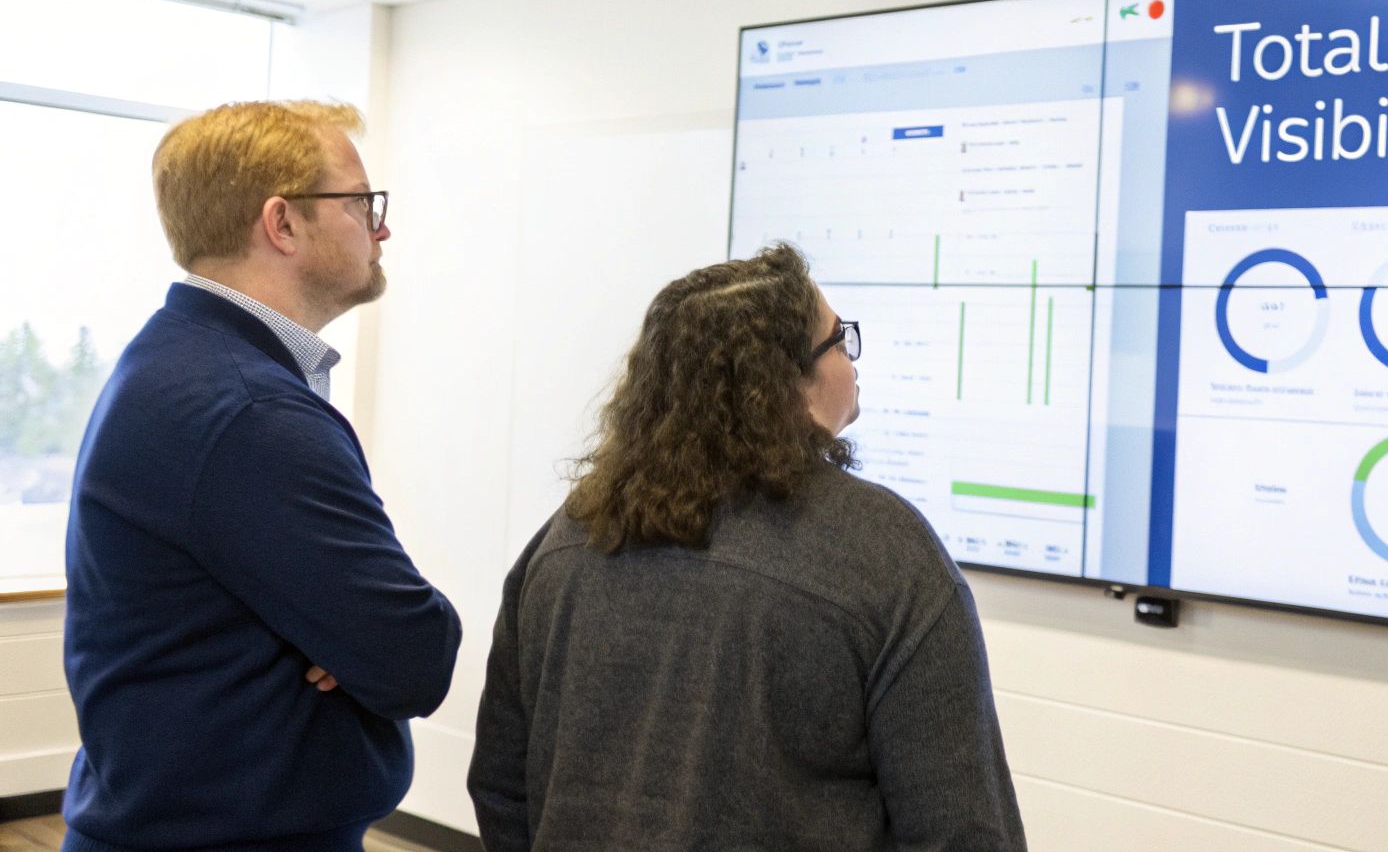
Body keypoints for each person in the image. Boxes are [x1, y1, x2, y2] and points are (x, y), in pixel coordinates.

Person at [469, 243, 1025, 851]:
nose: (853, 362)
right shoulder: (889, 555)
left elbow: (501, 785)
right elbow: (965, 830)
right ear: (785, 384)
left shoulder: (568, 537)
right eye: (840, 342)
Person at [62, 101, 462, 852]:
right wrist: (347, 640)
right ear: (282, 224)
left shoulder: (182, 359)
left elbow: (372, 639)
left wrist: (341, 635)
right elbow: (412, 656)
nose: (381, 229)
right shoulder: (248, 411)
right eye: (360, 204)